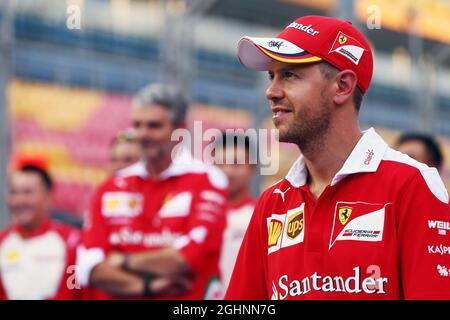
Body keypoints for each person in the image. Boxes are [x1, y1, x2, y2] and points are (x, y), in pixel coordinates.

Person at [226, 15, 450, 300]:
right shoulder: (273, 203)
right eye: (272, 76)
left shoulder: (412, 184)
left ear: (342, 86)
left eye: (291, 75)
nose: (271, 91)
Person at [76, 83, 228, 299]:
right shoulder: (110, 187)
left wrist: (123, 261)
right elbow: (88, 268)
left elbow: (186, 259)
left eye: (154, 126)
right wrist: (147, 287)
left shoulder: (208, 179)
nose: (143, 134)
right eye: (137, 125)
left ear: (180, 129)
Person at [0, 163, 81, 300]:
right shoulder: (2, 241)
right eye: (14, 192)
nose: (19, 201)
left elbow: (82, 291)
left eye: (28, 192)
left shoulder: (73, 241)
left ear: (48, 197)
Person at [214, 133, 256, 291]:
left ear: (252, 168)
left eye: (237, 164)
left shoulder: (260, 216)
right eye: (221, 163)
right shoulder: (196, 214)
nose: (228, 171)